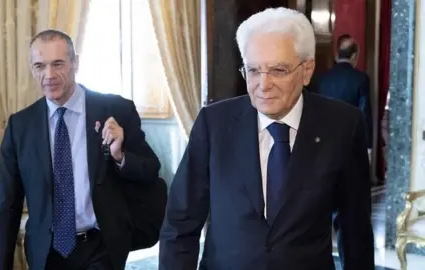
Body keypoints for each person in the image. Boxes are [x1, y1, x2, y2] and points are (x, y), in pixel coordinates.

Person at [159, 7, 374, 270]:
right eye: (253, 70)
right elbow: (180, 224)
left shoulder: (342, 125)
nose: (263, 84)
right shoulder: (214, 124)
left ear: (307, 70)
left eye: (278, 70)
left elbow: (355, 228)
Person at [0, 30, 161, 270]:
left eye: (57, 64)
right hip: (46, 253)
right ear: (31, 68)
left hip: (101, 246)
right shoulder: (20, 126)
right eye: (40, 66)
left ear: (75, 63)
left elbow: (150, 170)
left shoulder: (115, 109)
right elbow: (7, 204)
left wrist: (120, 156)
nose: (49, 75)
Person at [315, 34, 373, 153]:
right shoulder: (361, 79)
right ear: (354, 56)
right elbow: (364, 114)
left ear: (336, 55)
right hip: (350, 142)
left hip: (325, 142)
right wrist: (368, 147)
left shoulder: (321, 79)